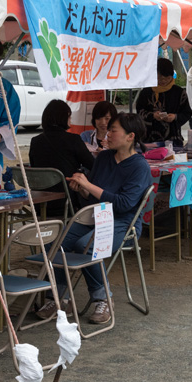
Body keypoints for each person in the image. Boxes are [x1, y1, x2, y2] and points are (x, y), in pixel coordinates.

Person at [36, 113, 152, 325]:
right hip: (95, 215)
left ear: (130, 136)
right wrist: (82, 189)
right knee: (56, 243)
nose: (108, 134)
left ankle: (103, 298)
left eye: (113, 130)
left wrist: (88, 186)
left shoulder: (139, 166)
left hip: (122, 223)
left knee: (85, 246)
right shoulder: (105, 158)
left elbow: (124, 204)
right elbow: (93, 196)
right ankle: (60, 297)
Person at [29, 100, 95, 205]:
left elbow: (34, 166)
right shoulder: (73, 139)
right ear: (65, 117)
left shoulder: (35, 141)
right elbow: (93, 165)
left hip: (40, 201)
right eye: (70, 117)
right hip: (68, 200)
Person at [134, 58, 191, 145]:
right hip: (149, 138)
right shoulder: (146, 92)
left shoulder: (179, 92)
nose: (163, 81)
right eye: (160, 78)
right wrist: (153, 115)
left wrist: (174, 117)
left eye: (167, 78)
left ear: (172, 76)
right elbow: (139, 112)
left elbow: (187, 113)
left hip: (173, 138)